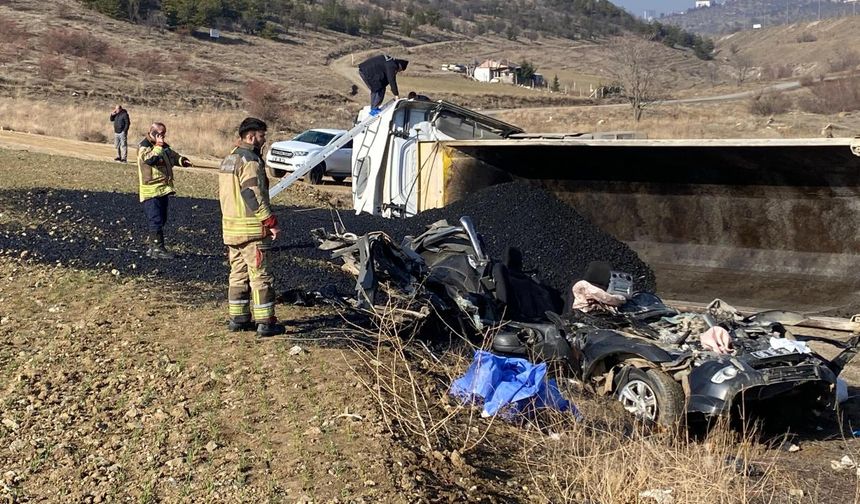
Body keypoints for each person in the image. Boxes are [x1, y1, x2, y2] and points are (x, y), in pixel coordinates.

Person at [219, 117, 285, 337]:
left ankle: (238, 319)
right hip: (251, 231)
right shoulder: (250, 161)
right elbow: (251, 193)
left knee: (237, 275)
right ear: (250, 136)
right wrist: (270, 221)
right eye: (261, 135)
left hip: (231, 229)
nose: (263, 139)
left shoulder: (229, 159)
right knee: (260, 276)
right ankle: (266, 322)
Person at [137, 122, 192, 259]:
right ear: (153, 133)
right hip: (151, 190)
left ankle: (153, 247)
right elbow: (151, 160)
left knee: (162, 219)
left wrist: (182, 161)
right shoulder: (144, 147)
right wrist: (158, 146)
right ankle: (157, 248)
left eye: (163, 134)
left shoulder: (164, 147)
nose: (162, 137)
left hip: (163, 189)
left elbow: (172, 156)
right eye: (160, 134)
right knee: (155, 219)